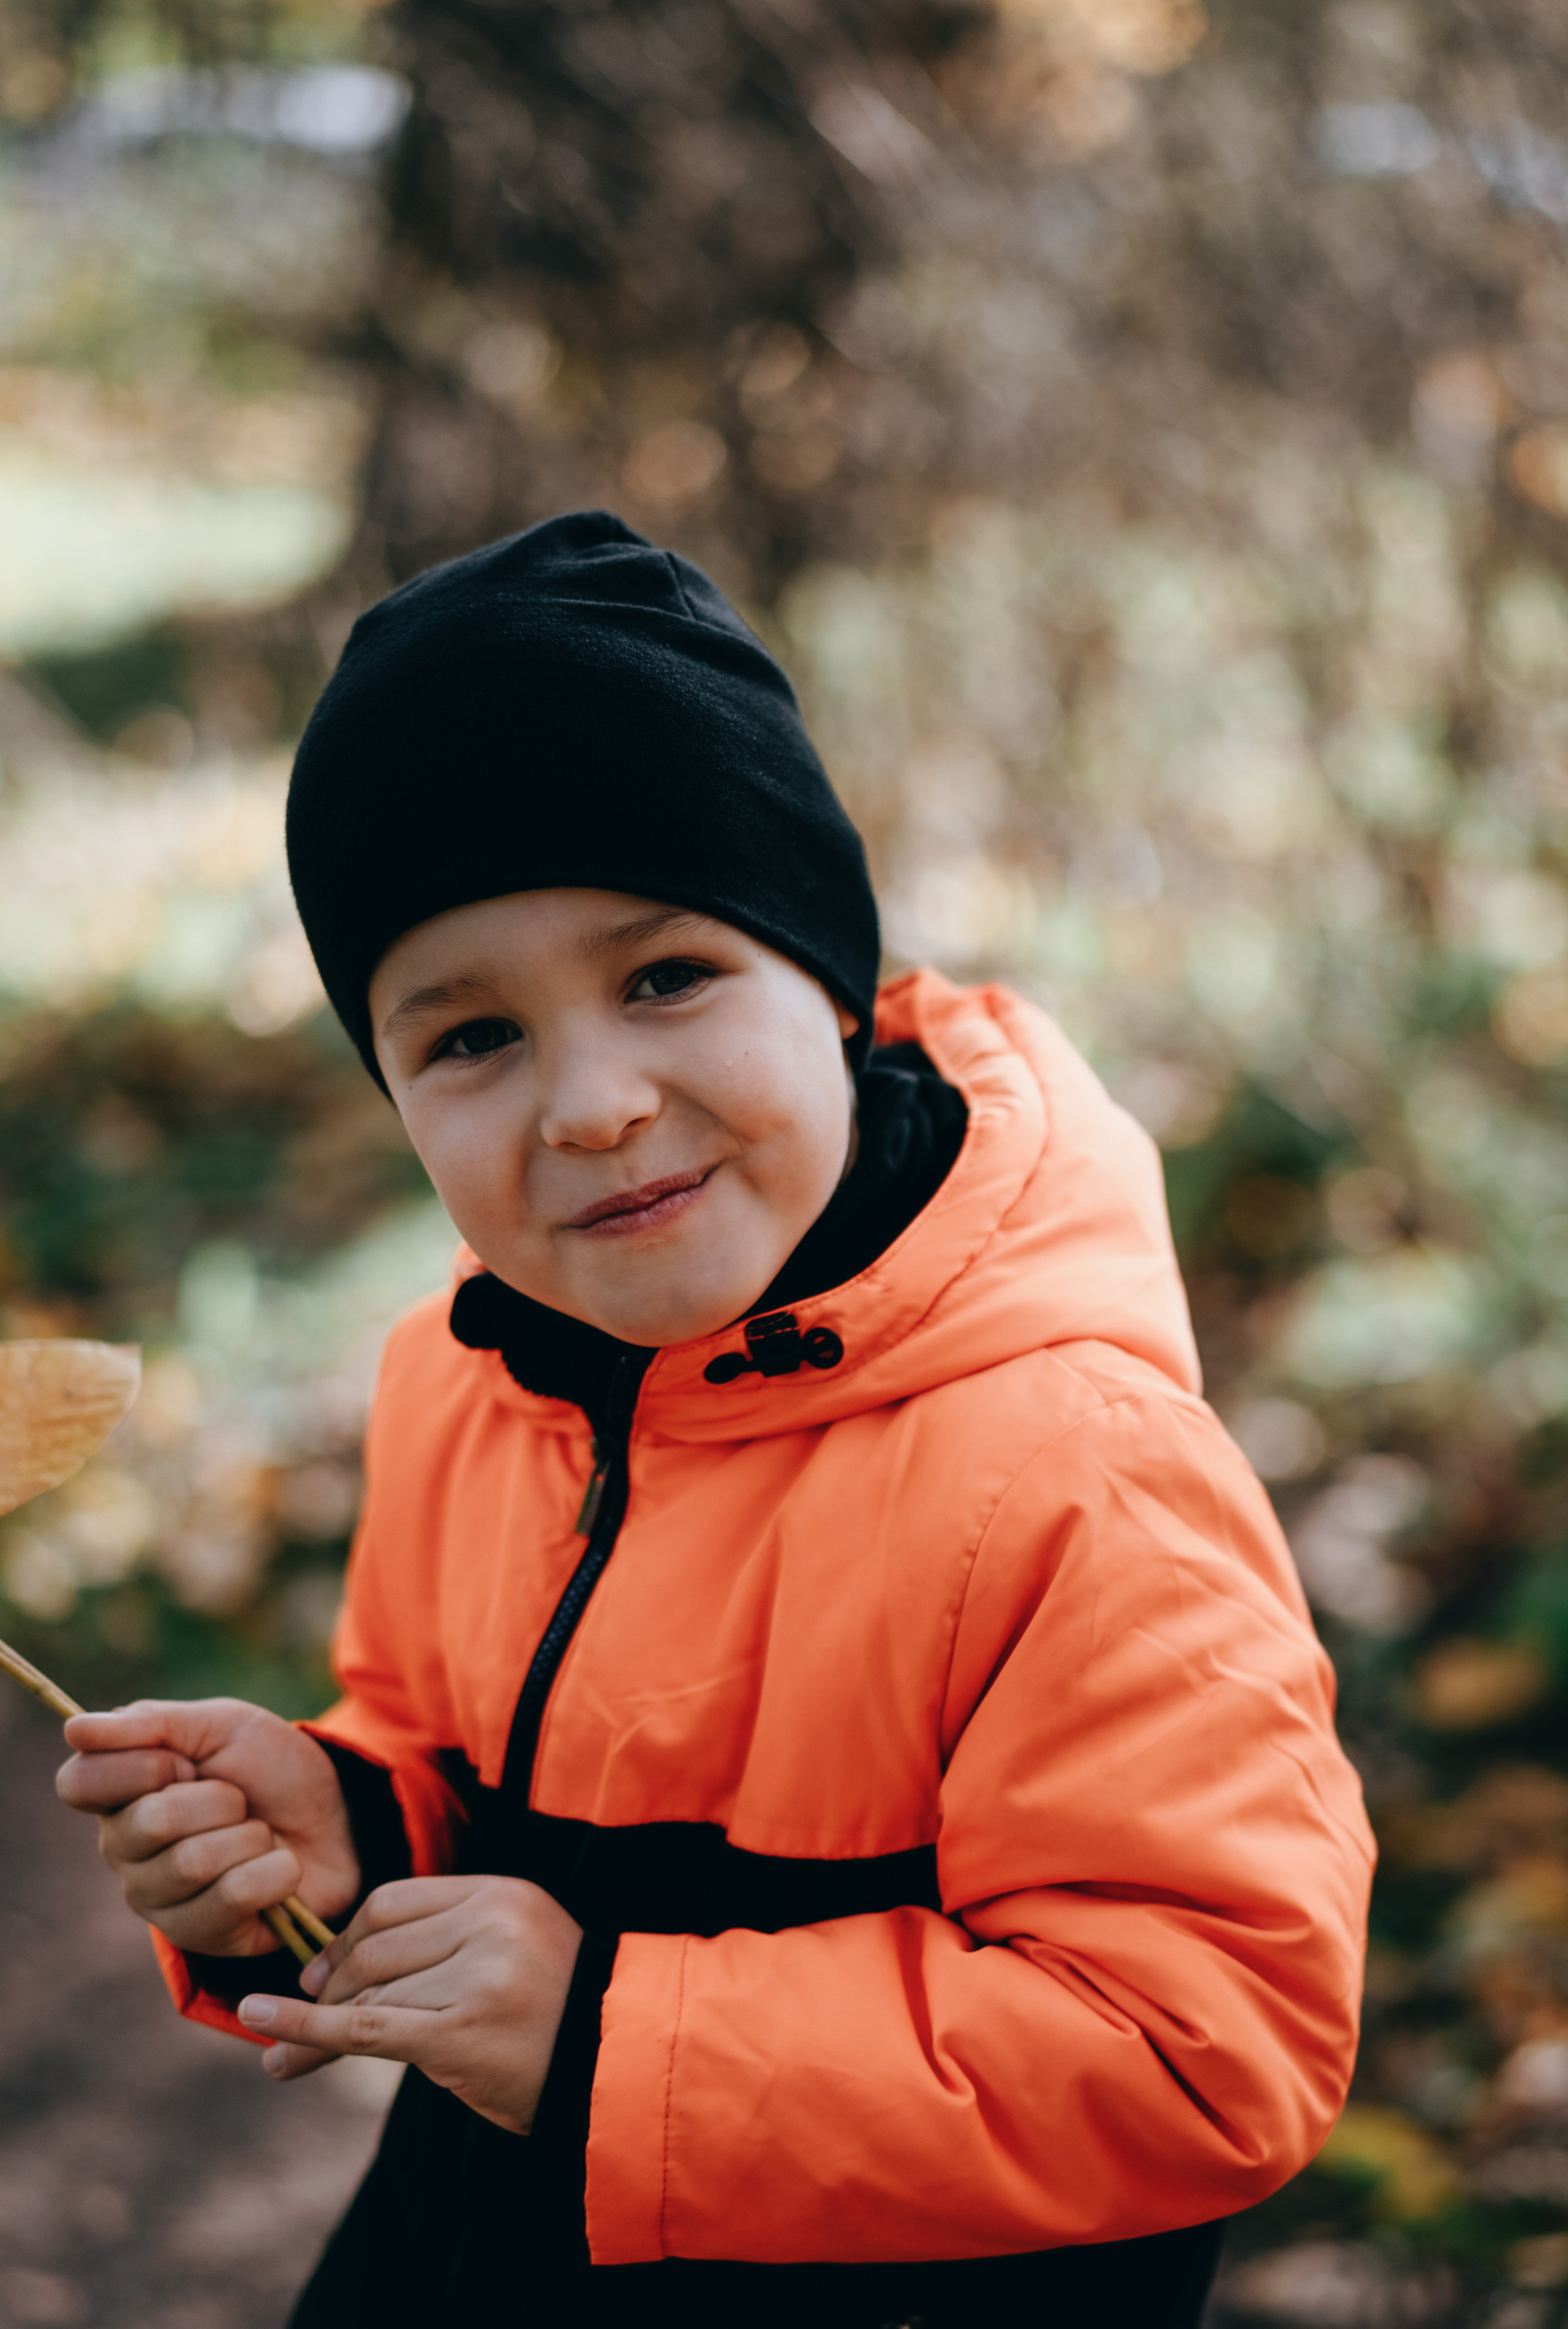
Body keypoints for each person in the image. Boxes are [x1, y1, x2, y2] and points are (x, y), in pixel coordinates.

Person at [57, 511, 1374, 2327]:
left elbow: (1204, 2048)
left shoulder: (1074, 1474)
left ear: (829, 985)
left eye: (668, 976)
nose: (591, 1104)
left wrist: (604, 2035)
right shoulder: (461, 1380)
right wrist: (348, 1827)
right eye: (468, 1038)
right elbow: (447, 1753)